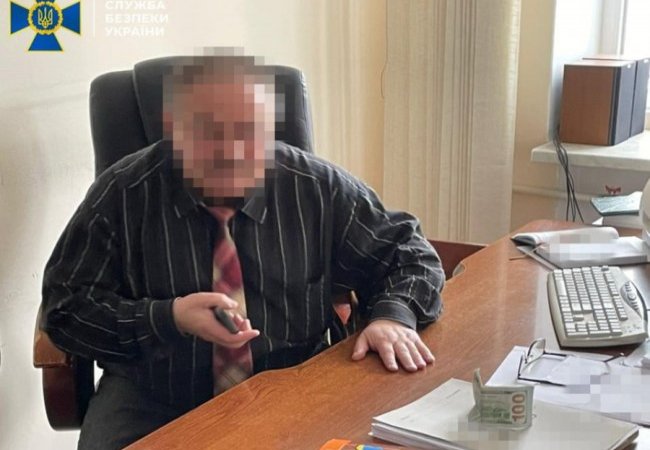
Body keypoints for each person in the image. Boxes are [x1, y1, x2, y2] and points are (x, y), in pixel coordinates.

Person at [41, 54, 445, 449]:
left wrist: (392, 316)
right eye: (210, 131)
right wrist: (169, 317)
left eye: (249, 131)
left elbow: (409, 253)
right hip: (154, 396)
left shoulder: (315, 186)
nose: (232, 151)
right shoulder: (123, 193)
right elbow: (65, 309)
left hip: (294, 385)